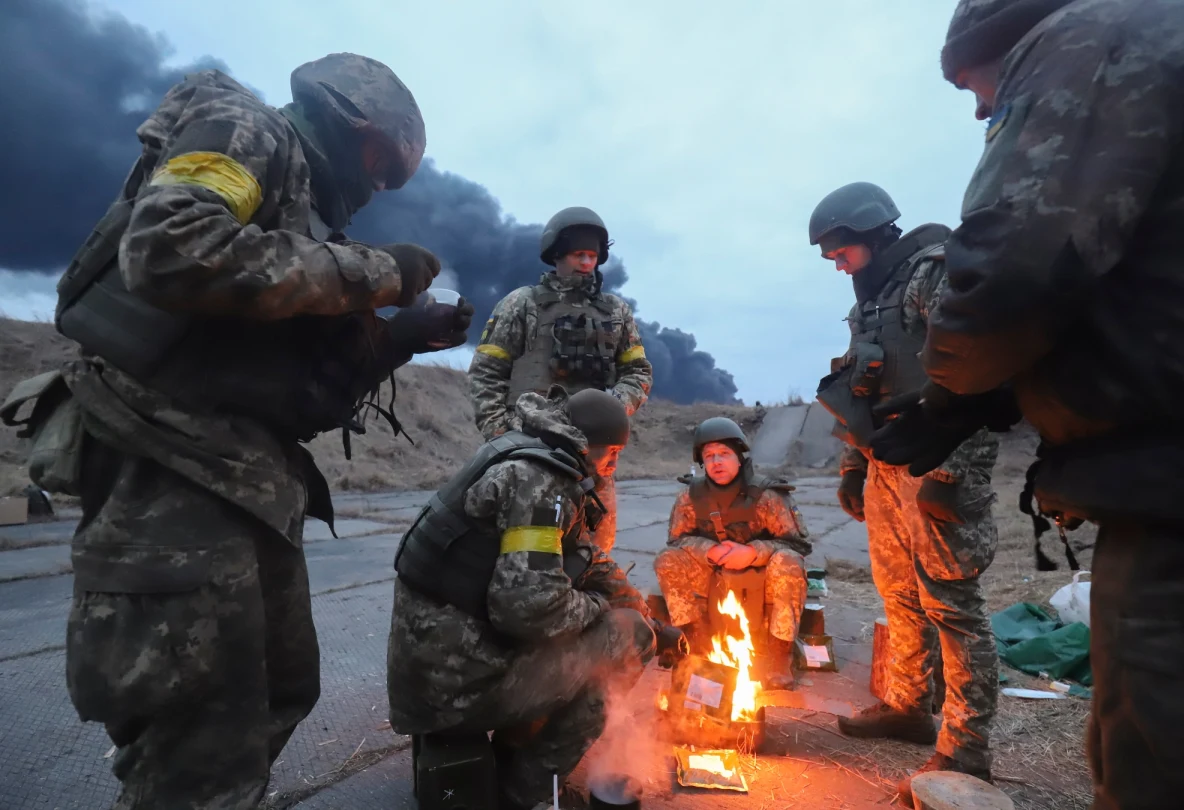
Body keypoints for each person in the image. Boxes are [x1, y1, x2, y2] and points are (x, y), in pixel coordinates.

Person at [4, 53, 475, 808]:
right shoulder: (244, 128)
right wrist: (378, 272)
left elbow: (299, 395)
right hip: (167, 464)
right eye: (381, 166)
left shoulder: (306, 227)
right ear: (348, 121)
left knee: (277, 695)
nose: (378, 188)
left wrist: (397, 339)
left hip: (246, 481)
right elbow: (171, 246)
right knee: (198, 738)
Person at [869, 1, 1184, 807]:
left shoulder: (1086, 38)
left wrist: (955, 395)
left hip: (1180, 489)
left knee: (1158, 759)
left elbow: (1017, 260)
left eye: (969, 86)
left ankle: (963, 745)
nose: (980, 109)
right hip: (1172, 471)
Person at [387, 386, 684, 810]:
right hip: (455, 688)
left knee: (622, 623)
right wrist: (610, 612)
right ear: (589, 445)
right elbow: (528, 610)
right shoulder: (542, 483)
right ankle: (524, 792)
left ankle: (513, 757)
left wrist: (642, 610)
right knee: (630, 638)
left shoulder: (527, 449)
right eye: (613, 452)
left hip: (435, 669)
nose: (614, 464)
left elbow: (583, 556)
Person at [809, 182, 1001, 803]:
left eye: (841, 252)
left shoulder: (932, 276)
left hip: (938, 461)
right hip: (886, 467)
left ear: (870, 235)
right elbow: (857, 389)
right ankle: (908, 705)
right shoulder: (870, 303)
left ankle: (967, 745)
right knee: (898, 592)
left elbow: (974, 377)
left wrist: (951, 475)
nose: (838, 266)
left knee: (952, 603)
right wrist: (852, 466)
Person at [467, 206, 653, 554]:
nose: (586, 262)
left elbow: (638, 371)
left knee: (594, 554)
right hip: (530, 446)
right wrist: (500, 432)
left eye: (592, 256)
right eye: (578, 254)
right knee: (525, 548)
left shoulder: (615, 312)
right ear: (556, 254)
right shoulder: (522, 304)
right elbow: (486, 371)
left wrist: (612, 409)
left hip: (593, 456)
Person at [653, 417, 811, 690]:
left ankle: (779, 656)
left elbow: (798, 546)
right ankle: (698, 646)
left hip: (762, 575)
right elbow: (677, 541)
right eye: (709, 456)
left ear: (739, 457)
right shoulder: (690, 497)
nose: (717, 462)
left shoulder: (768, 496)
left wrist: (753, 552)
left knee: (789, 562)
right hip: (712, 572)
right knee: (667, 560)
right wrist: (709, 550)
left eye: (724, 453)